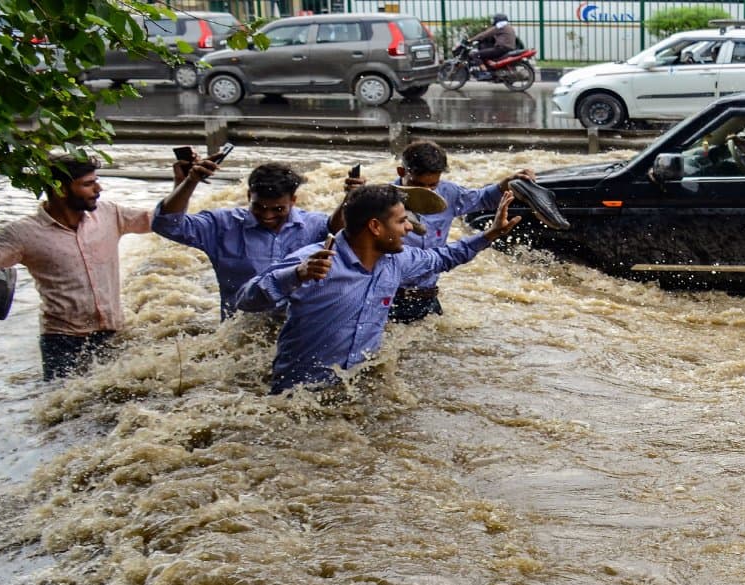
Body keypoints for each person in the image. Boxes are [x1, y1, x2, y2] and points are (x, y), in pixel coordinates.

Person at [235, 184, 520, 394]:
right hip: (298, 397)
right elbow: (246, 299)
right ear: (375, 226)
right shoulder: (315, 259)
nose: (409, 228)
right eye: (401, 220)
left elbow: (442, 258)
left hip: (356, 391)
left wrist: (490, 234)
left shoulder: (397, 260)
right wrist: (295, 275)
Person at [0, 154, 153, 380]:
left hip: (112, 333)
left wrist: (187, 182)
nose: (99, 188)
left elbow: (163, 220)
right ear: (60, 189)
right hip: (62, 342)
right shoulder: (22, 233)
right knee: (66, 410)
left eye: (96, 181)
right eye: (88, 184)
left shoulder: (109, 214)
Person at [152, 159, 360, 319]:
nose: (268, 216)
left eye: (278, 209)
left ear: (293, 201)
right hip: (240, 331)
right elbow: (167, 225)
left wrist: (351, 199)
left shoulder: (313, 225)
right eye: (259, 207)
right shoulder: (222, 226)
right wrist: (189, 182)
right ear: (248, 196)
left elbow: (340, 233)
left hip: (297, 328)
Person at [383, 140, 533, 323]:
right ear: (401, 172)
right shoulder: (382, 201)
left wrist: (506, 184)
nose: (427, 193)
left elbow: (483, 198)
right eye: (419, 185)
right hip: (389, 299)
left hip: (427, 296)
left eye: (433, 186)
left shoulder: (449, 193)